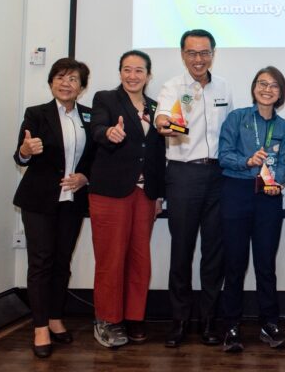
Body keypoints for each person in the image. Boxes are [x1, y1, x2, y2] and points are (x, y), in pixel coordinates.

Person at [155, 29, 233, 347]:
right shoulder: (172, 87)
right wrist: (165, 123)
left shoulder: (225, 87)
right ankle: (180, 321)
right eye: (192, 53)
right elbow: (162, 118)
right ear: (182, 54)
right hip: (183, 175)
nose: (198, 59)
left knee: (214, 253)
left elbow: (230, 133)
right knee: (182, 250)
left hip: (219, 176)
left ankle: (209, 321)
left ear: (213, 54)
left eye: (204, 53)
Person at [12, 58, 94, 358]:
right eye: (59, 77)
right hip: (39, 200)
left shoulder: (89, 116)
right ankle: (40, 326)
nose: (65, 83)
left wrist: (85, 176)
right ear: (50, 82)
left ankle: (57, 317)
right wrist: (24, 151)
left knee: (62, 262)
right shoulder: (36, 114)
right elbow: (21, 156)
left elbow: (94, 158)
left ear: (82, 88)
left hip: (71, 201)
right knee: (41, 262)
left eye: (73, 79)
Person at [88, 50, 166, 348]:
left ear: (149, 75)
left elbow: (159, 154)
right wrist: (109, 132)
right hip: (111, 192)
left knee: (139, 259)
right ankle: (108, 319)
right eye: (127, 70)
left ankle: (134, 316)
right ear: (120, 72)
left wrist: (159, 194)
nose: (132, 76)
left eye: (139, 70)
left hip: (144, 194)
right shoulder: (106, 99)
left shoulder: (157, 107)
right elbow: (97, 129)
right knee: (110, 258)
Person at [218, 66, 285, 353]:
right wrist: (247, 162)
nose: (267, 89)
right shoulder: (236, 118)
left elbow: (283, 164)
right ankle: (232, 326)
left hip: (268, 198)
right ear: (253, 88)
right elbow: (224, 155)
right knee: (235, 264)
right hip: (236, 192)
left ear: (280, 93)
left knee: (265, 264)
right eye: (262, 83)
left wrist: (278, 183)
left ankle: (269, 323)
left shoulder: (284, 128)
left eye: (274, 85)